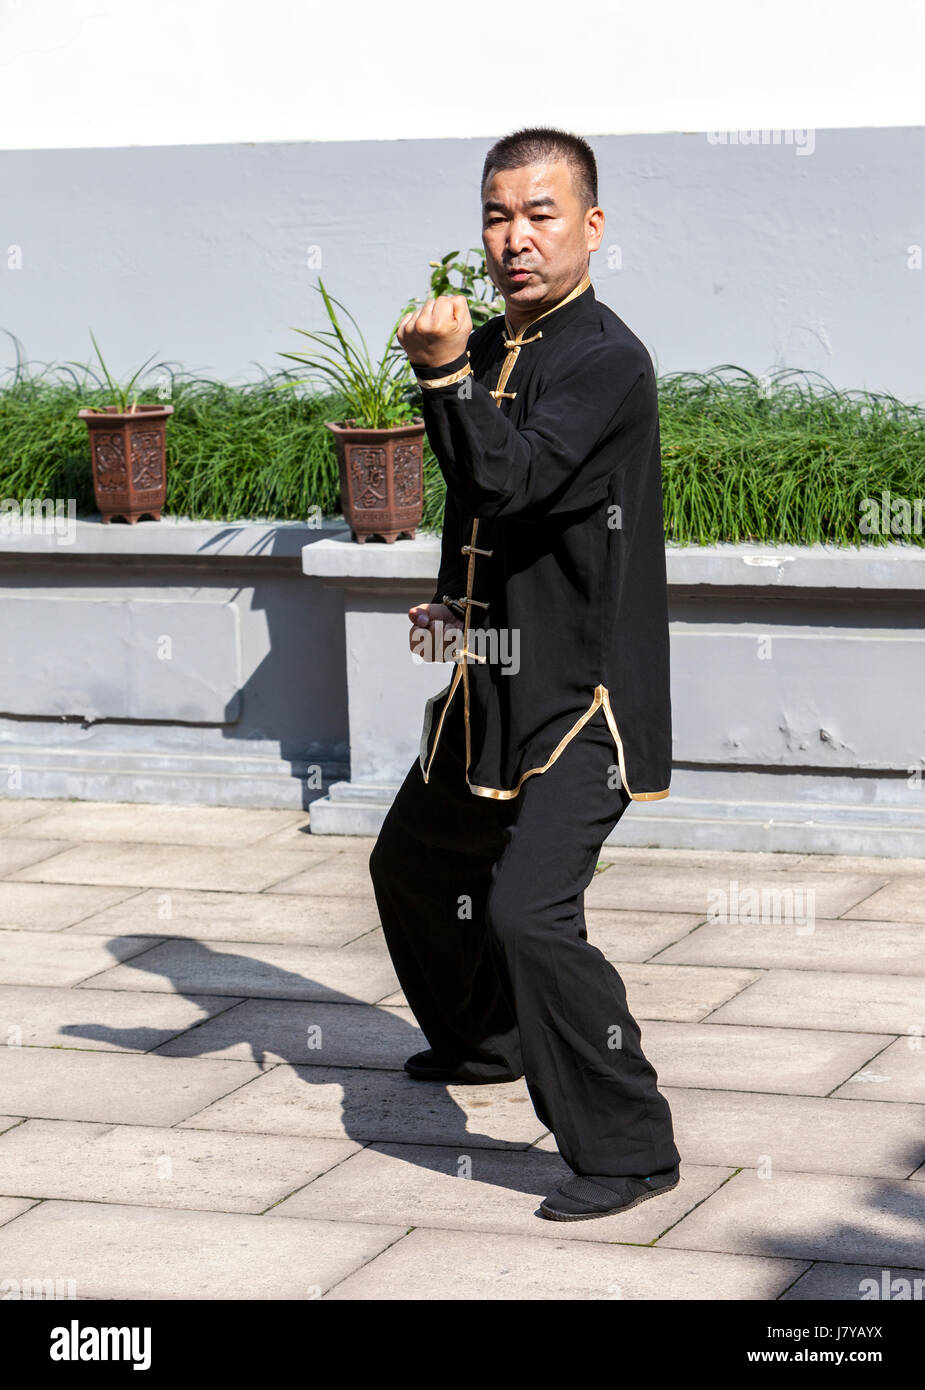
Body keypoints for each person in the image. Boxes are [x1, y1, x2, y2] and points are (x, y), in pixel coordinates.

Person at [368, 127, 681, 1221]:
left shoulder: (601, 357)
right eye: (497, 216)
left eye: (539, 215)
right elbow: (473, 502)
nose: (514, 238)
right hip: (488, 673)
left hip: (578, 696)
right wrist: (454, 604)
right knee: (410, 863)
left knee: (528, 913)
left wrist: (440, 375)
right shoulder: (501, 345)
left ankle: (629, 1146)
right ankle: (485, 1041)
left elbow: (513, 478)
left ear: (590, 226)